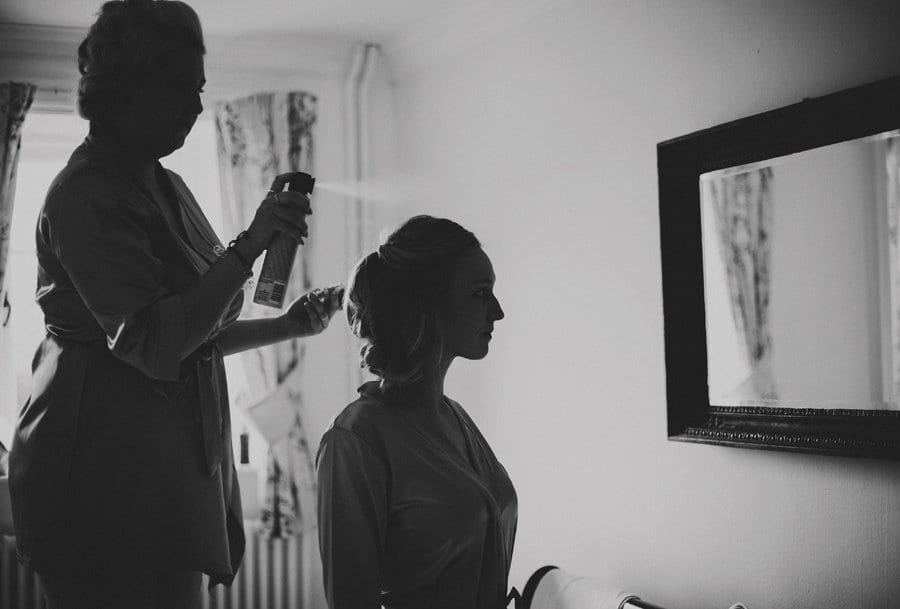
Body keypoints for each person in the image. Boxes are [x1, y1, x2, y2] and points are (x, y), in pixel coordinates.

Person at [8, 1, 342, 607]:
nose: (195, 105)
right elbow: (156, 345)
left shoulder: (168, 184)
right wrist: (250, 245)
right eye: (181, 87)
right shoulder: (86, 193)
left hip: (169, 474)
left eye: (200, 89)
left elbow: (195, 334)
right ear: (125, 87)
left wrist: (288, 326)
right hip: (101, 474)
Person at [316, 215, 517, 609]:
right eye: (480, 293)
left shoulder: (455, 418)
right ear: (425, 304)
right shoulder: (356, 439)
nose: (498, 311)